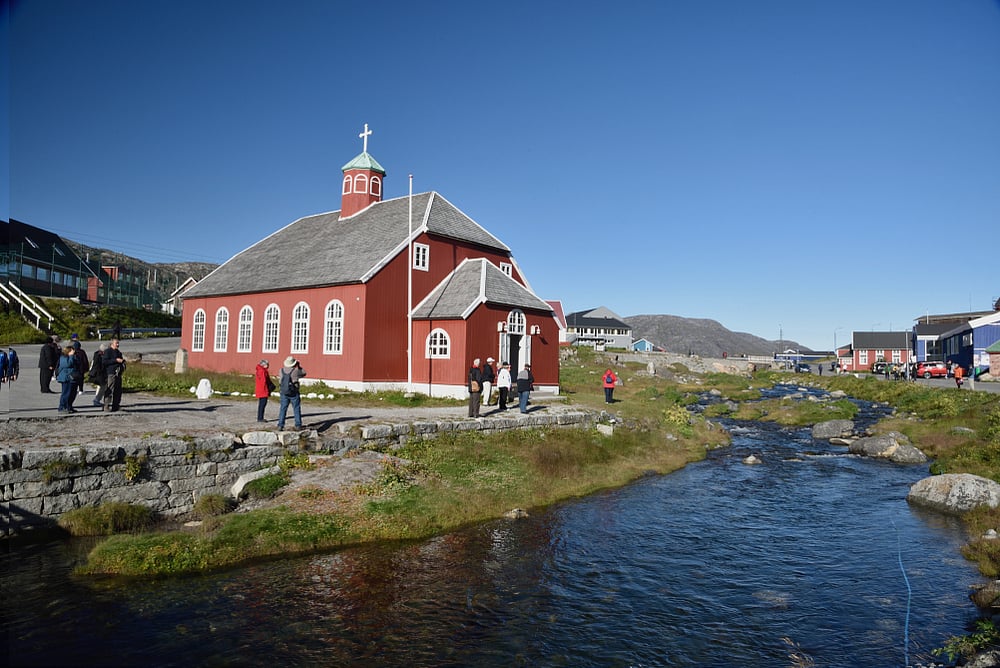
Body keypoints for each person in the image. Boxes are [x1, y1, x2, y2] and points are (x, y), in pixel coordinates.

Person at [277, 356, 306, 430]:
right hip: (294, 391)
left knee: (283, 408)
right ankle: (298, 424)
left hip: (283, 392)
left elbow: (280, 380)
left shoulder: (281, 370)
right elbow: (304, 373)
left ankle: (280, 424)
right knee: (296, 408)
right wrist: (299, 366)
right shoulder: (295, 371)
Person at [102, 338, 126, 412]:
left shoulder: (118, 352)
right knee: (110, 389)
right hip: (111, 373)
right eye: (116, 343)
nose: (118, 345)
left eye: (118, 343)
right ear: (112, 344)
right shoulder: (107, 351)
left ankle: (116, 405)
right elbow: (104, 362)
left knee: (118, 390)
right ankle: (106, 406)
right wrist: (115, 360)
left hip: (118, 373)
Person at [56, 345, 78, 413]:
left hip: (73, 377)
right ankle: (62, 407)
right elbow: (68, 364)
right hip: (66, 378)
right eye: (72, 350)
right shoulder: (63, 358)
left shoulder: (74, 357)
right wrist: (71, 356)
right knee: (66, 393)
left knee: (72, 394)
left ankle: (69, 406)